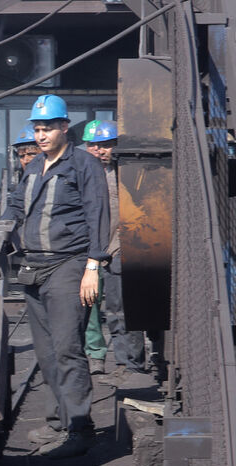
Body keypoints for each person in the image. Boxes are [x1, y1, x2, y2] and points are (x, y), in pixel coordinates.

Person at [2, 95, 110, 459]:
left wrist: (93, 267)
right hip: (34, 267)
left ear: (65, 126)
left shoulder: (84, 165)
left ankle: (80, 428)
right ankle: (56, 421)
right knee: (46, 353)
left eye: (47, 128)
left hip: (69, 265)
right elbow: (16, 206)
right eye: (37, 129)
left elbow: (97, 214)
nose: (41, 135)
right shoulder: (34, 167)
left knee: (67, 348)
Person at [82, 119, 145, 377]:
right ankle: (118, 362)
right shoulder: (84, 175)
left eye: (106, 145)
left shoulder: (125, 175)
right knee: (101, 310)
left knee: (122, 310)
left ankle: (132, 364)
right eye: (94, 146)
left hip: (119, 249)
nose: (100, 151)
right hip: (92, 252)